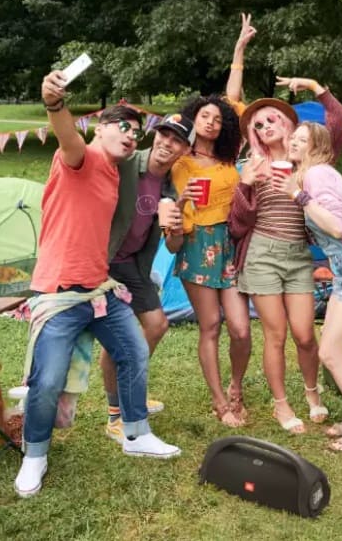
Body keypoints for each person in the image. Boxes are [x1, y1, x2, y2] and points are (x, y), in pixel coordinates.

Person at [15, 71, 180, 498]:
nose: (130, 135)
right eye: (122, 127)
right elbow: (67, 138)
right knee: (47, 381)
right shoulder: (81, 158)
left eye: (136, 131)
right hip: (59, 292)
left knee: (134, 352)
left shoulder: (114, 172)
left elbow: (151, 185)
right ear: (99, 128)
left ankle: (135, 433)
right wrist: (55, 104)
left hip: (99, 290)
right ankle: (35, 454)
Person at [228, 76, 342, 434]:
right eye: (258, 125)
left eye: (272, 119)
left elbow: (340, 122)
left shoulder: (310, 160)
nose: (266, 126)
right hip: (262, 255)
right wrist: (246, 184)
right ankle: (281, 404)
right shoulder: (251, 165)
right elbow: (237, 225)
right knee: (276, 335)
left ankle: (312, 393)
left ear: (287, 123)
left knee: (305, 334)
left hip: (298, 256)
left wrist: (315, 87)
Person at [271, 120, 342, 452]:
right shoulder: (319, 174)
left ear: (318, 147)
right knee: (331, 349)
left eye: (302, 139)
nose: (293, 142)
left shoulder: (316, 176)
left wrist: (297, 195)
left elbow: (336, 227)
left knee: (331, 354)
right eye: (293, 137)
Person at [169, 14, 255, 427]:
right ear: (194, 119)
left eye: (218, 119)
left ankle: (237, 387)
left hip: (230, 242)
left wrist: (239, 51)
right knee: (211, 326)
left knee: (241, 328)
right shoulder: (179, 157)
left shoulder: (226, 157)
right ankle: (220, 403)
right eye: (206, 116)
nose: (213, 121)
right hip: (197, 242)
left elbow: (232, 100)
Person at [100, 114, 195, 444]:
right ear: (154, 136)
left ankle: (131, 388)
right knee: (118, 338)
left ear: (185, 150)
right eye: (164, 135)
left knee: (156, 325)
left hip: (134, 266)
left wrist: (176, 225)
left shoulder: (172, 185)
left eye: (177, 140)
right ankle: (116, 414)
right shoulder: (125, 163)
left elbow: (173, 244)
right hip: (104, 261)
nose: (167, 143)